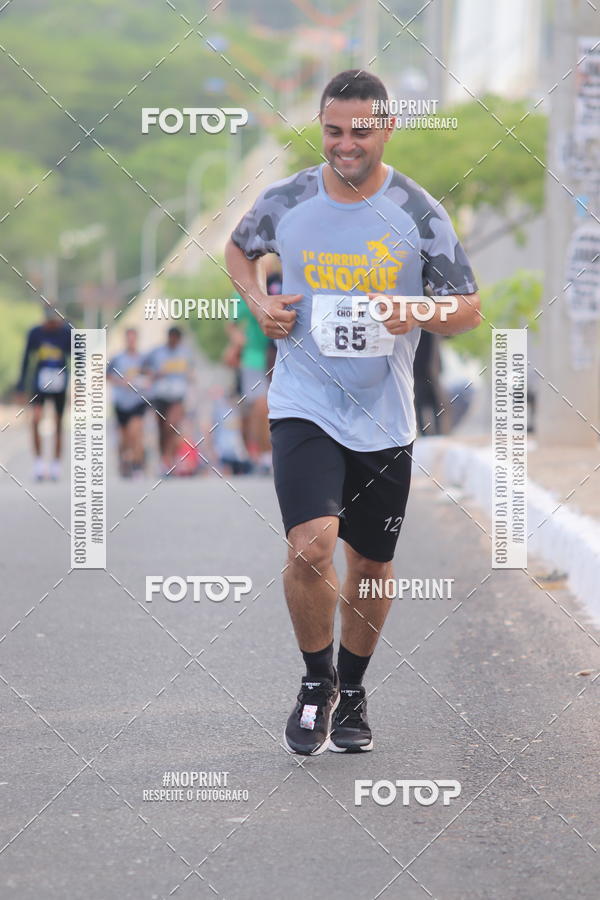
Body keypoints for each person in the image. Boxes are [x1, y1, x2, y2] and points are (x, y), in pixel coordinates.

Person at [225, 70, 480, 756]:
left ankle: (355, 690)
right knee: (311, 545)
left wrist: (417, 309)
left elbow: (467, 308)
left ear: (386, 129)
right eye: (333, 130)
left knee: (370, 561)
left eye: (360, 131)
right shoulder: (289, 198)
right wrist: (260, 302)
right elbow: (238, 249)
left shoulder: (418, 211)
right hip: (304, 401)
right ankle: (316, 681)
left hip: (384, 412)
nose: (345, 145)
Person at [16, 307, 71, 481]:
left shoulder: (65, 333)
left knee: (58, 422)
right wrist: (21, 386)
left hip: (60, 382)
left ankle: (55, 464)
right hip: (40, 383)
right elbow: (26, 359)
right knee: (36, 418)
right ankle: (39, 463)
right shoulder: (35, 333)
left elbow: (79, 355)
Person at [143, 327, 192, 474]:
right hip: (160, 395)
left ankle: (170, 458)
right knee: (161, 428)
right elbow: (143, 367)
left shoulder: (186, 353)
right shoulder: (157, 352)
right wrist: (153, 373)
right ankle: (163, 459)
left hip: (177, 395)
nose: (174, 341)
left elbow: (191, 370)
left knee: (171, 425)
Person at [107, 328, 148, 477]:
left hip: (137, 401)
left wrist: (145, 381)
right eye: (128, 338)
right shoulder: (117, 358)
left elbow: (150, 375)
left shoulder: (143, 359)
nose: (131, 341)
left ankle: (137, 465)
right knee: (124, 437)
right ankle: (124, 461)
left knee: (135, 432)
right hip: (121, 402)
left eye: (133, 338)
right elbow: (107, 375)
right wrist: (121, 382)